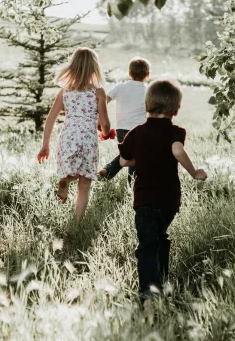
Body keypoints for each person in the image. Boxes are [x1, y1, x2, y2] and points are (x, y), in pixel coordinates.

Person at [118, 79, 207, 299]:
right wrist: (195, 172)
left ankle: (150, 294)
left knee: (148, 246)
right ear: (175, 110)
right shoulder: (176, 131)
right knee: (160, 237)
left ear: (146, 106)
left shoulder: (136, 133)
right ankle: (163, 278)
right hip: (169, 201)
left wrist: (143, 158)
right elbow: (176, 150)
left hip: (145, 199)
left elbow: (123, 161)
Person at [37, 48, 111, 221]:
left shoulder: (65, 92)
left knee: (70, 170)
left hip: (68, 137)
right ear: (95, 68)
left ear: (73, 67)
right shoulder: (98, 92)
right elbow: (105, 123)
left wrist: (45, 145)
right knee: (84, 184)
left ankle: (65, 180)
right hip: (88, 139)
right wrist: (106, 132)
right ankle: (78, 222)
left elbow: (50, 119)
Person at [98, 57, 151, 184]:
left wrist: (100, 117)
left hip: (121, 128)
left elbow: (105, 100)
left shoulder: (120, 87)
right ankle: (132, 183)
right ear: (147, 75)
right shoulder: (148, 91)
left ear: (129, 74)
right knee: (135, 156)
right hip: (139, 129)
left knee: (128, 154)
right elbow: (150, 109)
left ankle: (107, 171)